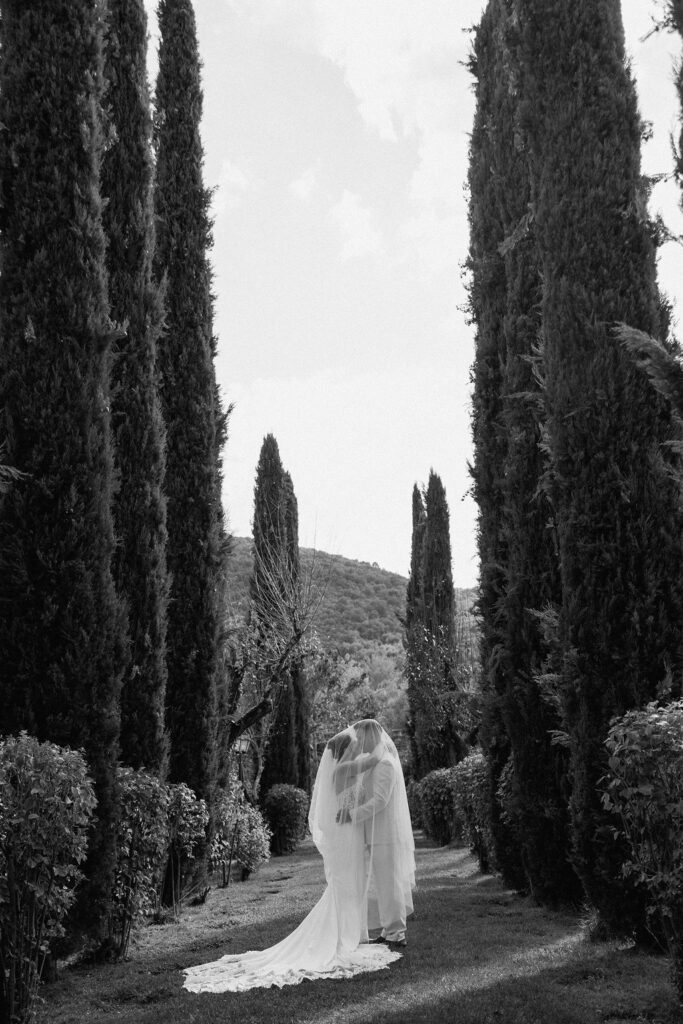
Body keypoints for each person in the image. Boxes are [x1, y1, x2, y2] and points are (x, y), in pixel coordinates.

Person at [182, 719, 415, 993]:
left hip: (380, 836)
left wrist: (352, 810)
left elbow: (378, 800)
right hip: (356, 834)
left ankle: (394, 932)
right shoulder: (359, 765)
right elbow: (358, 793)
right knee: (357, 886)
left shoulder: (382, 763)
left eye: (363, 739)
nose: (360, 745)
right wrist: (352, 809)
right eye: (355, 744)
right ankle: (379, 932)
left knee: (384, 883)